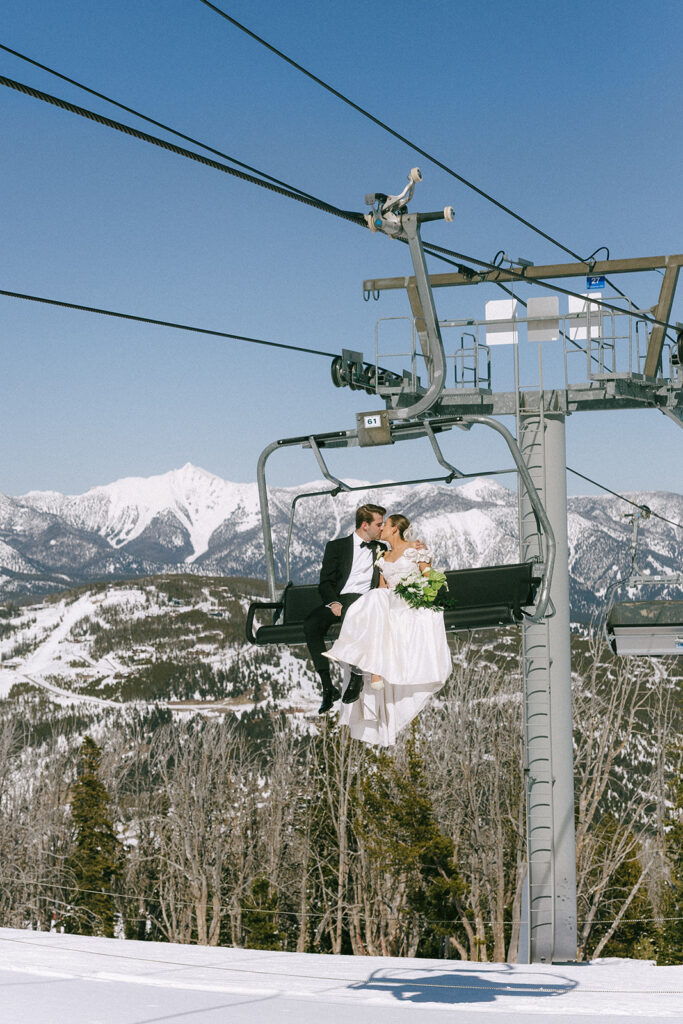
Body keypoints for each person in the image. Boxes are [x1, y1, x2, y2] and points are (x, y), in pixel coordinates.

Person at [323, 513, 451, 747]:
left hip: (409, 599)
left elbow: (426, 574)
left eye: (385, 525)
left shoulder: (415, 549)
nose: (380, 529)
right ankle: (373, 670)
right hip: (389, 600)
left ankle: (367, 666)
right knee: (373, 599)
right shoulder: (383, 556)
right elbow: (382, 587)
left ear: (394, 529)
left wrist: (427, 590)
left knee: (376, 600)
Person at [304, 503, 387, 714]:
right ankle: (327, 686)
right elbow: (326, 582)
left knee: (356, 617)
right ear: (365, 525)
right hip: (340, 600)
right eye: (379, 524)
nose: (382, 528)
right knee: (312, 624)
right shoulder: (337, 547)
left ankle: (357, 675)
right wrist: (334, 602)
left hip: (366, 601)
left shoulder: (382, 549)